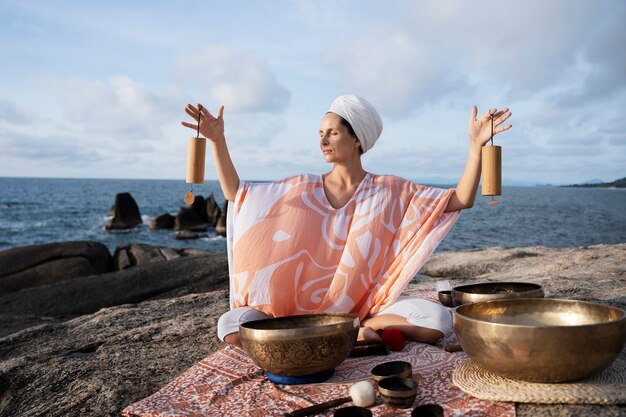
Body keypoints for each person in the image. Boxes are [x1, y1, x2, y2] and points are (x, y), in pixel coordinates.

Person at [182, 95, 512, 348]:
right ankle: (344, 339)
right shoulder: (301, 187)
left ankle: (354, 332)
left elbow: (460, 200)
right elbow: (237, 193)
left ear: (356, 140)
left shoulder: (389, 190)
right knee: (230, 324)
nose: (323, 140)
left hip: (361, 313)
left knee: (439, 319)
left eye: (332, 133)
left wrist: (475, 148)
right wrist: (217, 141)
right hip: (290, 317)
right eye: (321, 133)